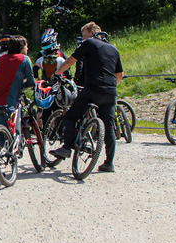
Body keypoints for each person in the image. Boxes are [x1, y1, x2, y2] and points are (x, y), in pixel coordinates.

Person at [49, 22, 123, 172]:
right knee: (109, 127)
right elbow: (119, 75)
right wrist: (110, 87)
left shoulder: (90, 43)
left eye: (84, 35)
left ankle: (67, 147)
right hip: (110, 92)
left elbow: (71, 60)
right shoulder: (113, 48)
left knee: (70, 116)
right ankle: (109, 163)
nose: (83, 39)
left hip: (93, 88)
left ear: (92, 32)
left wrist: (56, 74)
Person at [0, 35, 36, 181]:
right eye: (26, 46)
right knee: (1, 138)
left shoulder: (0, 58)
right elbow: (31, 82)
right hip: (8, 104)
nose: (27, 49)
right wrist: (18, 86)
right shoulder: (24, 59)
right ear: (22, 47)